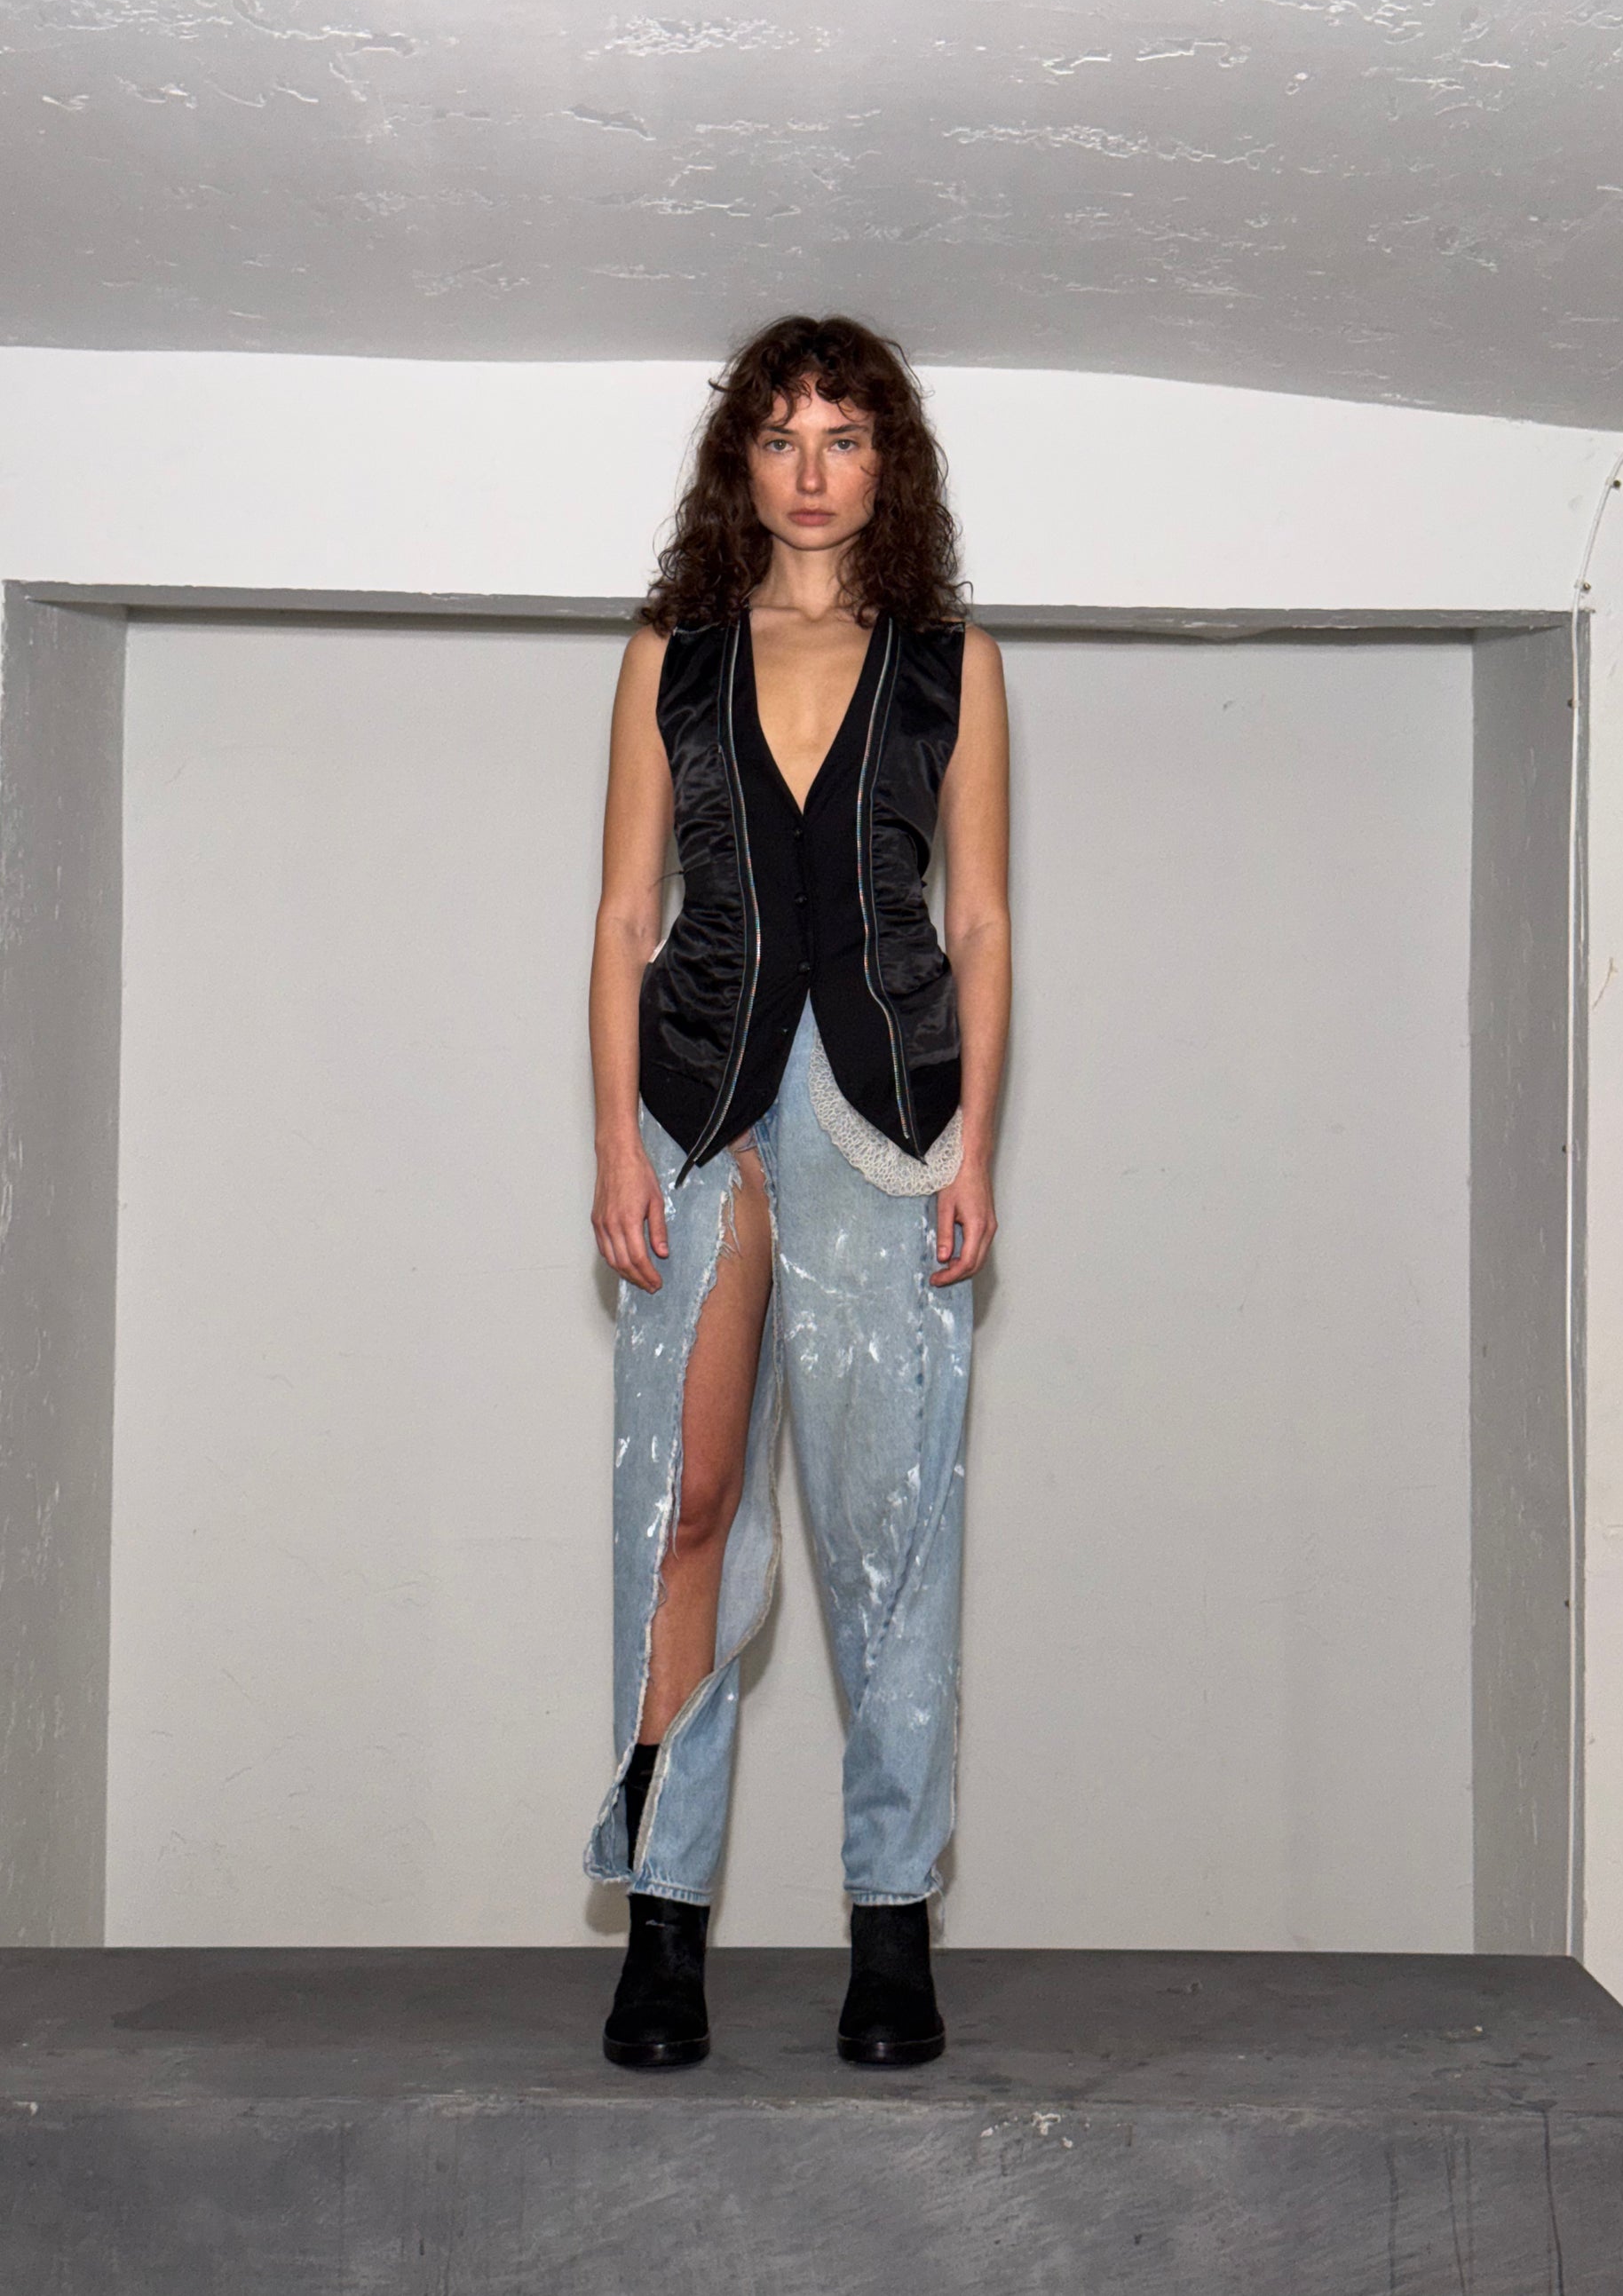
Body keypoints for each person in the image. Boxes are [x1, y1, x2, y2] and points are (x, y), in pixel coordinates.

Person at [582, 312, 1010, 2069]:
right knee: (682, 1510)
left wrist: (979, 1147)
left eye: (843, 435)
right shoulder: (670, 655)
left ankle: (891, 1930)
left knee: (887, 1533)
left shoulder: (952, 665)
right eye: (779, 436)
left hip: (889, 1124)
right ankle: (662, 1925)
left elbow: (978, 918)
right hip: (698, 1113)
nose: (811, 470)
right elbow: (626, 912)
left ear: (885, 462)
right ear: (738, 464)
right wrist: (614, 1142)